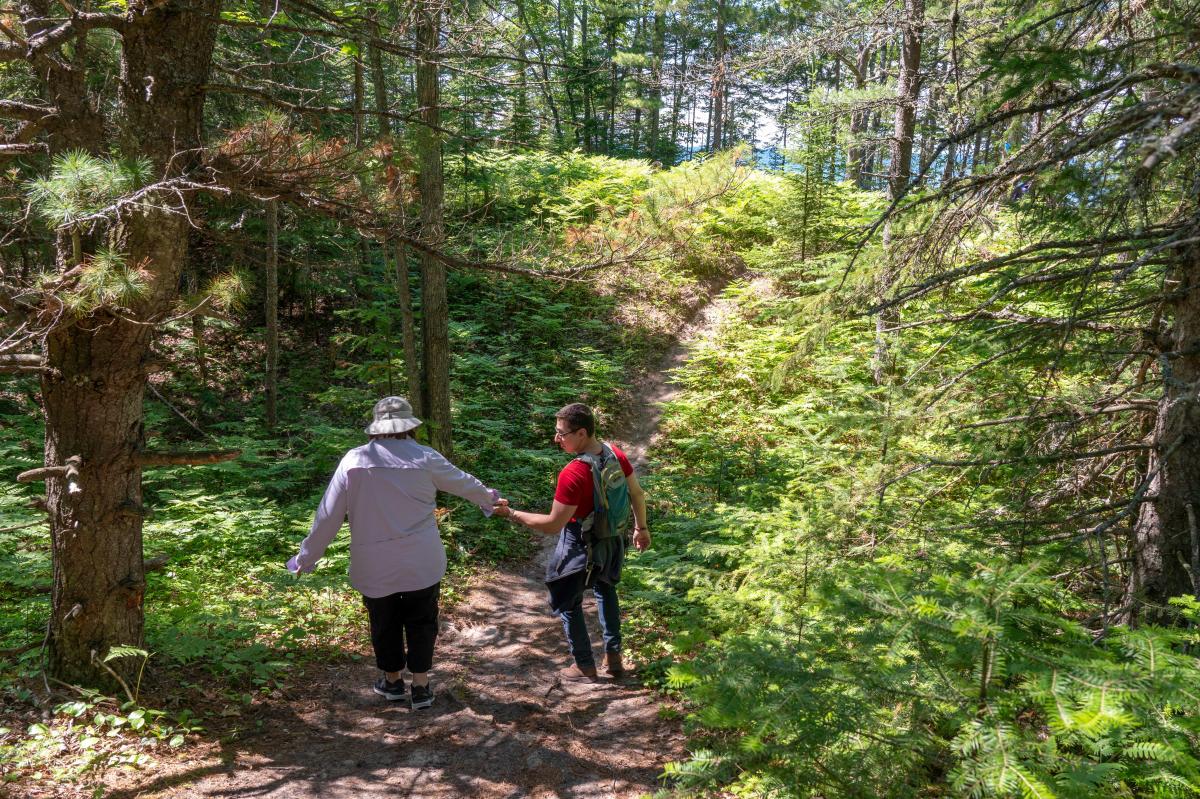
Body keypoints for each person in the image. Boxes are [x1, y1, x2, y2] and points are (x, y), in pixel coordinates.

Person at [286, 396, 501, 709]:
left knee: (383, 621)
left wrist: (306, 557)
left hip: (374, 564)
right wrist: (490, 500)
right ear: (409, 426)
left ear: (375, 428)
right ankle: (423, 686)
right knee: (422, 620)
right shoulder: (425, 457)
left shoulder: (354, 460)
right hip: (422, 561)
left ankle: (393, 682)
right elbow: (465, 484)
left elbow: (328, 516)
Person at [492, 403, 650, 680]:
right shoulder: (616, 454)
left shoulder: (573, 473)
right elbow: (637, 494)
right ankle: (614, 659)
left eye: (561, 434)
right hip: (612, 538)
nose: (557, 439)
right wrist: (641, 528)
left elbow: (554, 524)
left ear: (581, 433)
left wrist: (511, 513)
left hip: (581, 541)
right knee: (605, 588)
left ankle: (584, 664)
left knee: (567, 599)